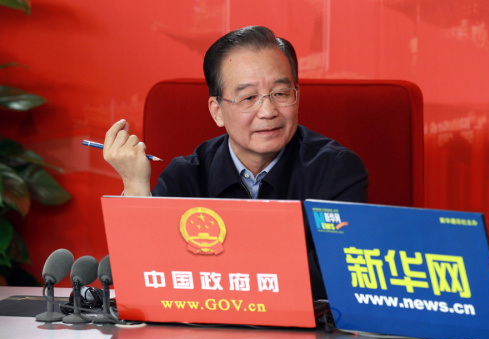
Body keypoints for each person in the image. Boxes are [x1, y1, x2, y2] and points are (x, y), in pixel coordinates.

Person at [103, 25, 368, 299]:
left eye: (281, 93)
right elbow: (143, 278)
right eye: (249, 97)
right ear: (217, 111)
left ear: (297, 95)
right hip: (199, 338)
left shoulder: (337, 169)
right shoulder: (186, 177)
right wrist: (135, 185)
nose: (268, 111)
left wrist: (210, 269)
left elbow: (341, 273)